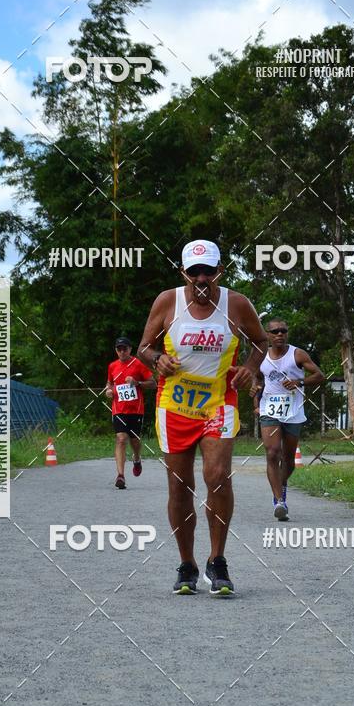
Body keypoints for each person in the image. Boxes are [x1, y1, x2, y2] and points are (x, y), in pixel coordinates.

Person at [137, 239, 268, 596]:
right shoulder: (167, 302)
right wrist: (156, 360)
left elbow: (260, 342)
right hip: (175, 406)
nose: (201, 278)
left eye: (208, 271)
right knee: (180, 487)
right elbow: (144, 347)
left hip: (217, 404)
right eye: (193, 271)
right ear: (183, 272)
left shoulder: (236, 304)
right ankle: (187, 565)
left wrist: (250, 369)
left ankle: (217, 560)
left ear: (219, 271)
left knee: (218, 477)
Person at [252, 318, 325, 520]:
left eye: (283, 331)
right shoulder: (261, 357)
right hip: (270, 411)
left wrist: (299, 381)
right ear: (267, 335)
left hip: (293, 411)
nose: (279, 335)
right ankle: (279, 501)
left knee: (289, 461)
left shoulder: (297, 354)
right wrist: (256, 404)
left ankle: (281, 485)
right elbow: (257, 379)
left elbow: (320, 375)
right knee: (273, 453)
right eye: (274, 331)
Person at [105, 337, 156, 489]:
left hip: (136, 410)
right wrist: (108, 390)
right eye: (119, 349)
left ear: (130, 349)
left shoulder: (138, 364)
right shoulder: (112, 366)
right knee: (121, 439)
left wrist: (137, 383)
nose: (122, 351)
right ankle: (120, 476)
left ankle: (137, 458)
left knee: (134, 441)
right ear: (116, 350)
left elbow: (153, 383)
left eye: (124, 348)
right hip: (118, 410)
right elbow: (110, 382)